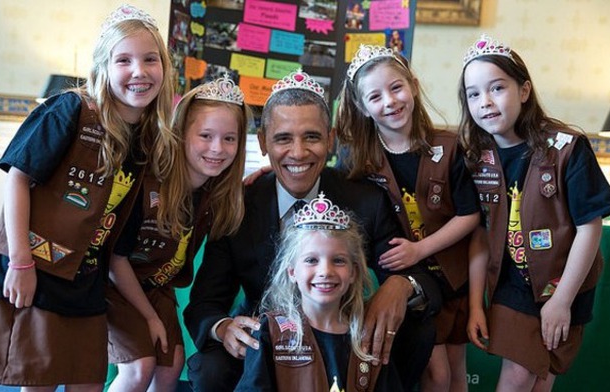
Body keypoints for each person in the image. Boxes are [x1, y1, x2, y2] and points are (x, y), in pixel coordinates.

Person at [184, 69, 441, 391]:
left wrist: (403, 285)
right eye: (282, 138)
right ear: (263, 142)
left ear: (330, 139)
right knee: (211, 368)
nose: (298, 153)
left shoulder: (364, 199)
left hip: (343, 334)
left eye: (312, 137)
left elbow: (424, 278)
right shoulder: (239, 204)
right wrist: (222, 328)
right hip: (263, 340)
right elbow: (204, 303)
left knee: (417, 329)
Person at [0, 5, 175, 391]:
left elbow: (117, 245)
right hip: (37, 271)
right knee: (38, 381)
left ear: (164, 68)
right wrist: (20, 263)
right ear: (103, 67)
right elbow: (17, 179)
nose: (139, 71)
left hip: (86, 282)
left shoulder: (145, 141)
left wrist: (147, 314)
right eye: (124, 60)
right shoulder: (70, 109)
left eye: (150, 59)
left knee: (87, 381)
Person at [458, 33, 610, 391]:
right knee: (517, 375)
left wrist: (561, 301)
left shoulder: (566, 148)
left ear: (524, 90)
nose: (485, 101)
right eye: (473, 94)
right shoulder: (473, 158)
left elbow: (590, 227)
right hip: (511, 287)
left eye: (497, 88)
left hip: (564, 285)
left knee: (540, 378)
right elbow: (479, 235)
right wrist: (475, 304)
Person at [336, 44, 481, 391]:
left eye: (396, 87)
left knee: (456, 372)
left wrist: (420, 249)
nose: (389, 101)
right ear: (362, 106)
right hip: (403, 282)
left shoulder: (449, 148)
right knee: (436, 373)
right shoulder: (357, 159)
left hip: (451, 277)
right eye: (375, 96)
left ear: (413, 85)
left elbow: (470, 214)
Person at [105, 75, 250, 391]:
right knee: (139, 368)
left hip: (156, 289)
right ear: (182, 133)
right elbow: (114, 260)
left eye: (229, 139)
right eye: (206, 135)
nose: (217, 148)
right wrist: (150, 318)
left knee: (171, 365)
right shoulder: (148, 182)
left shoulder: (217, 195)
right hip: (114, 284)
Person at [235, 195, 403, 391]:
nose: (325, 271)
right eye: (311, 260)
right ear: (292, 272)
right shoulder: (270, 332)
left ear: (353, 273)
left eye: (338, 260)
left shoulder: (369, 335)